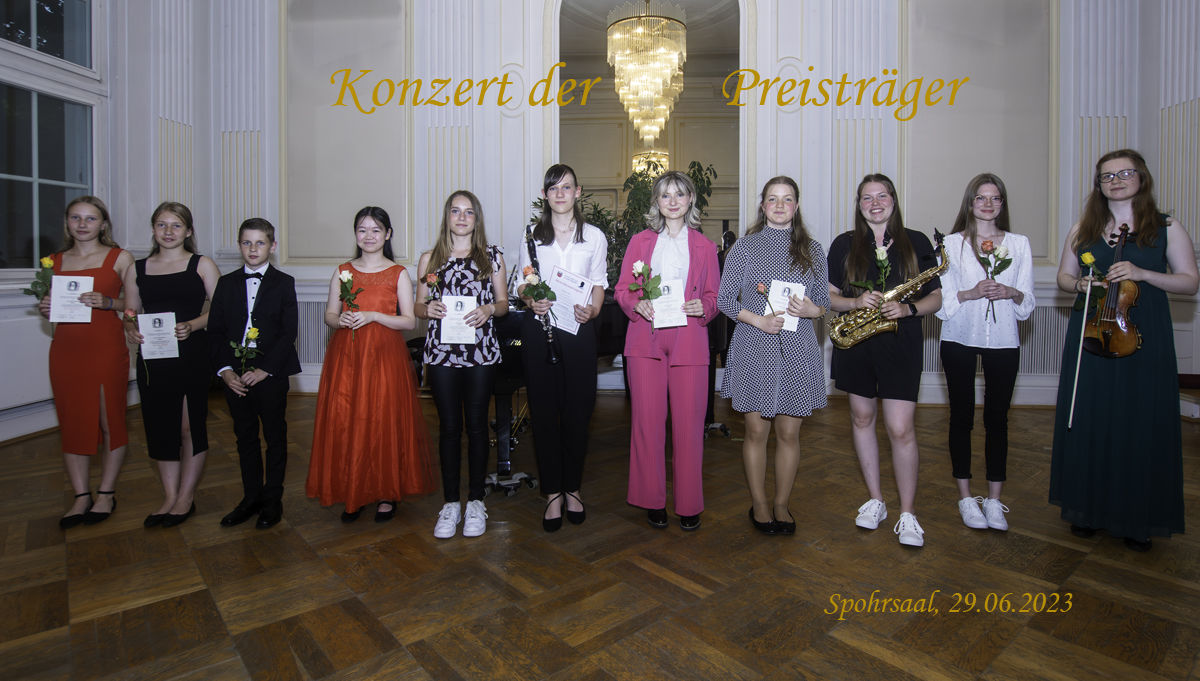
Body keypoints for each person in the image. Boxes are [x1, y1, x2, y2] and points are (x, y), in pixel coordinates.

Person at [1051, 149, 1197, 552]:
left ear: (1141, 177)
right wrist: (1081, 284)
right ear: (1098, 184)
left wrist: (1143, 273)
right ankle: (1086, 510)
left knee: (1139, 421)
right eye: (1107, 176)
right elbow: (1064, 277)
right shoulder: (1083, 228)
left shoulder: (1165, 227)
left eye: (1125, 173)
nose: (1116, 181)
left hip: (1144, 336)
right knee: (1090, 418)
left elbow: (1189, 282)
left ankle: (1138, 517)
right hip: (1093, 334)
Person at [827, 174, 943, 547]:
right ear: (858, 204)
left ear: (893, 200)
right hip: (857, 343)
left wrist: (908, 308)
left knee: (900, 428)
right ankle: (876, 500)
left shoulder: (917, 241)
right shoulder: (843, 244)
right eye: (867, 197)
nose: (875, 203)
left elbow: (936, 298)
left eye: (882, 196)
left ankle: (908, 513)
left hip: (900, 342)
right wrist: (855, 301)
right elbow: (829, 297)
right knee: (862, 419)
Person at [306, 207, 435, 523]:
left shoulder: (398, 273)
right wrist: (339, 320)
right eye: (362, 229)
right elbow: (329, 314)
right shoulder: (343, 271)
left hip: (385, 357)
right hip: (348, 356)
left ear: (387, 234)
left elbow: (409, 321)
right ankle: (354, 490)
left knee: (382, 419)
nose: (368, 236)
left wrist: (374, 315)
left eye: (376, 230)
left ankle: (387, 492)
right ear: (355, 234)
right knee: (348, 419)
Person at [719, 176, 830, 536]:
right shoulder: (745, 247)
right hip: (754, 345)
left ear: (796, 206)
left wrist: (813, 310)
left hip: (797, 349)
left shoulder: (813, 250)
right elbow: (724, 300)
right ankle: (760, 503)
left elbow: (823, 303)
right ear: (763, 205)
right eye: (772, 199)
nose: (780, 205)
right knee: (755, 431)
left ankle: (781, 503)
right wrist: (759, 320)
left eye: (787, 199)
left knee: (788, 434)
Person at [616, 170, 720, 531]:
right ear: (657, 203)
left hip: (689, 338)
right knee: (646, 423)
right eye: (665, 195)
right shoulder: (640, 242)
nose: (672, 201)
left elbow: (714, 296)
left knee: (690, 426)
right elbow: (623, 289)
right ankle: (652, 499)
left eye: (679, 194)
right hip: (645, 337)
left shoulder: (706, 247)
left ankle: (688, 503)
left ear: (690, 200)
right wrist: (636, 303)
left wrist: (704, 307)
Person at [935, 174, 1035, 531]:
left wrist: (1012, 292)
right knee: (961, 417)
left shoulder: (1019, 244)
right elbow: (942, 303)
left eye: (995, 198)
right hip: (959, 338)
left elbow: (1027, 304)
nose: (988, 204)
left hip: (1004, 340)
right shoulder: (950, 244)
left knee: (997, 419)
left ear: (1003, 204)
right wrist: (971, 293)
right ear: (970, 202)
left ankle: (994, 500)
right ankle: (966, 497)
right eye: (981, 198)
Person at [518, 164, 608, 532]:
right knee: (543, 413)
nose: (560, 194)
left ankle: (573, 488)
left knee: (578, 412)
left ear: (577, 191)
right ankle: (552, 492)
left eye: (566, 187)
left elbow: (599, 284)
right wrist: (531, 300)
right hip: (540, 330)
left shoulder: (595, 237)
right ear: (545, 195)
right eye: (553, 188)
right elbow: (523, 283)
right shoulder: (531, 235)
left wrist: (594, 310)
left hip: (579, 330)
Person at [415, 191, 508, 539]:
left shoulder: (491, 257)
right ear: (447, 216)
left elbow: (503, 303)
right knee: (449, 428)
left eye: (469, 212)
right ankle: (451, 502)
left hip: (481, 352)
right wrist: (428, 309)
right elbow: (418, 306)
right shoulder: (429, 259)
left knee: (477, 426)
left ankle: (476, 501)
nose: (462, 217)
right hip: (441, 353)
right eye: (456, 211)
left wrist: (489, 309)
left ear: (476, 218)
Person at [122, 202, 221, 528]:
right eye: (161, 224)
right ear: (153, 229)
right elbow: (130, 312)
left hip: (192, 354)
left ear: (188, 231)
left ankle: (185, 497)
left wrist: (192, 324)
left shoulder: (202, 264)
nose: (168, 231)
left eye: (176, 225)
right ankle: (169, 496)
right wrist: (130, 329)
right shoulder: (136, 268)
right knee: (160, 427)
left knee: (188, 427)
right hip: (153, 358)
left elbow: (223, 310)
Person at [38, 197, 135, 528]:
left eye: (90, 218)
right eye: (75, 218)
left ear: (103, 224)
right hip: (66, 351)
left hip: (105, 349)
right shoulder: (53, 261)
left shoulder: (120, 257)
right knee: (72, 422)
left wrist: (108, 302)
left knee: (110, 421)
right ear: (67, 222)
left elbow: (134, 305)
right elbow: (53, 305)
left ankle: (106, 493)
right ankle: (81, 496)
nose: (82, 224)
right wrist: (46, 307)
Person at [208, 218, 301, 530]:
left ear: (272, 247)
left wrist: (265, 370)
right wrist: (225, 371)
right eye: (247, 242)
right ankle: (251, 498)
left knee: (274, 436)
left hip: (270, 375)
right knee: (244, 437)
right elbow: (216, 331)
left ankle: (272, 500)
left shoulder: (284, 282)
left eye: (260, 242)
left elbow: (288, 333)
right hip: (234, 378)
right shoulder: (226, 283)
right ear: (239, 246)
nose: (253, 248)